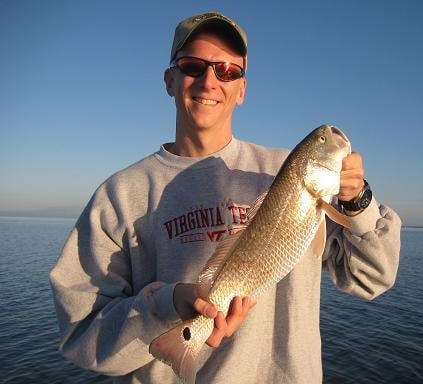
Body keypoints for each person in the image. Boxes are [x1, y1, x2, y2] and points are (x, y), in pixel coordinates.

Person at [50, 11, 401, 384]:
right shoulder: (119, 194)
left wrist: (357, 202)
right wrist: (166, 306)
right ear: (170, 80)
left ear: (242, 89)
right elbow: (81, 335)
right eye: (192, 66)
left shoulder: (283, 171)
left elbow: (372, 279)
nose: (209, 81)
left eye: (227, 71)